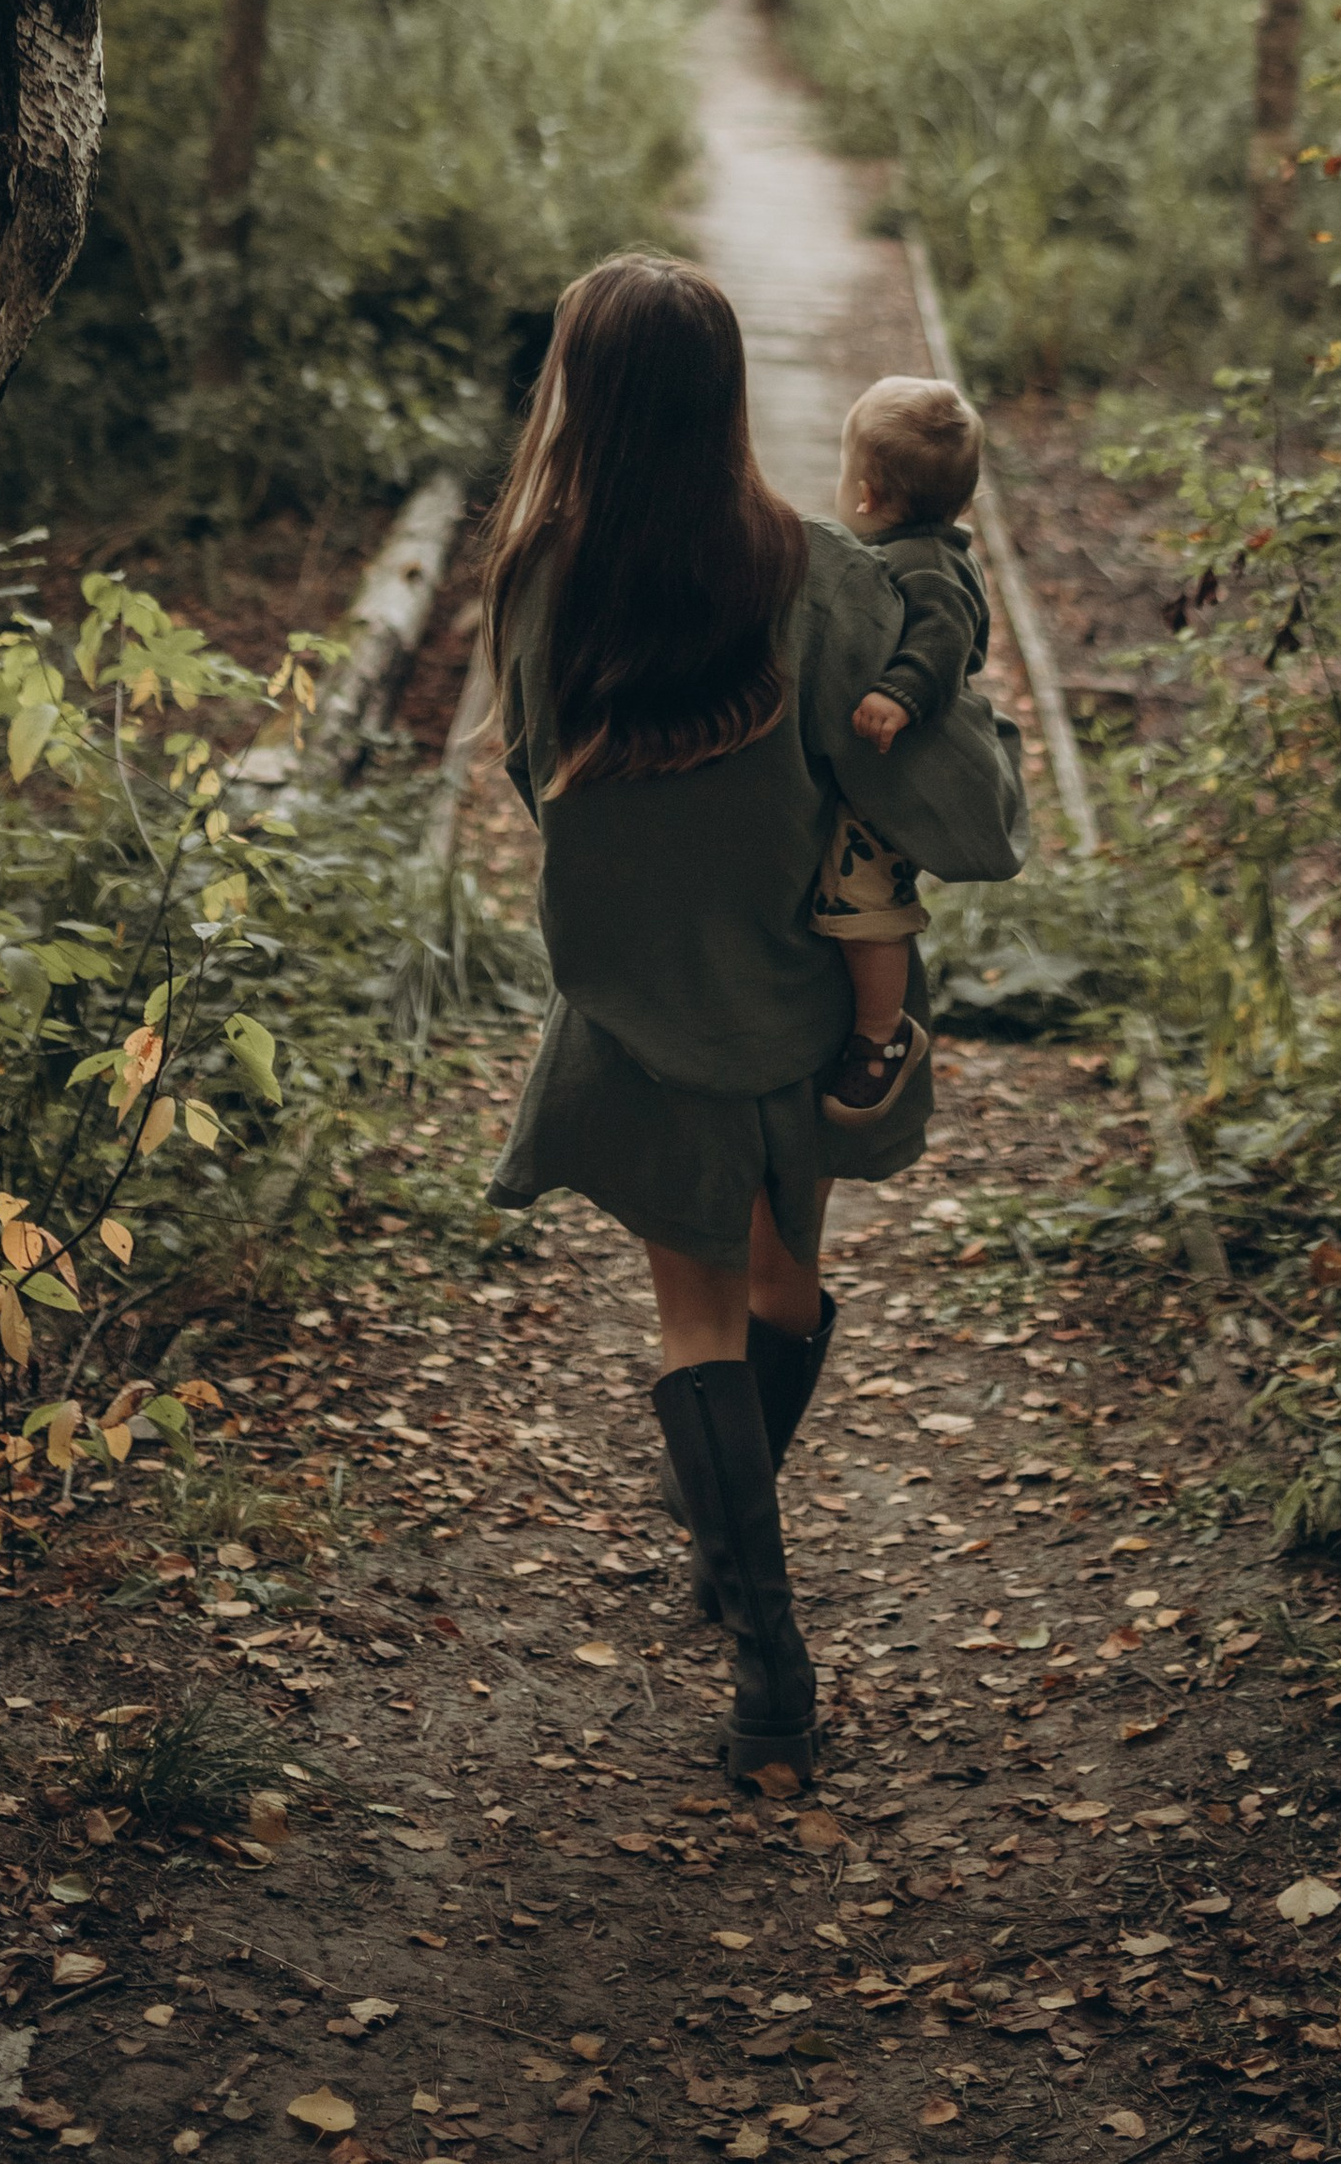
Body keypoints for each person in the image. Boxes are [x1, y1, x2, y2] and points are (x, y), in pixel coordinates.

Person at [482, 254, 1027, 1786]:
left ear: (575, 402)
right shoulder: (823, 577)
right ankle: (751, 1586)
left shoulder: (536, 575)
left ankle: (762, 1647)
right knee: (784, 1301)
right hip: (801, 1014)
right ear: (725, 398)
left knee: (699, 1326)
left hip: (642, 1014)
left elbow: (536, 786)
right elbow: (963, 820)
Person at [811, 375, 991, 1133]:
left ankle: (882, 1036)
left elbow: (944, 636)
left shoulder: (921, 563)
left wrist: (900, 691)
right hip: (882, 766)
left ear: (866, 492)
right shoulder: (912, 547)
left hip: (900, 769)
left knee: (868, 900)